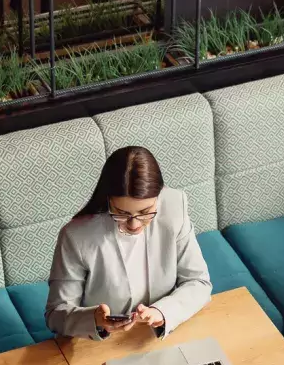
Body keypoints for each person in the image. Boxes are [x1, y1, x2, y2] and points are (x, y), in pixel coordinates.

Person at [45, 146, 211, 340]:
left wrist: (162, 312)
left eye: (145, 211)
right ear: (108, 199)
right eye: (122, 213)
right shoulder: (76, 235)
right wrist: (94, 320)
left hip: (159, 335)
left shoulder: (175, 206)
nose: (134, 224)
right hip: (99, 344)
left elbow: (198, 282)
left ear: (159, 196)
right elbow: (56, 314)